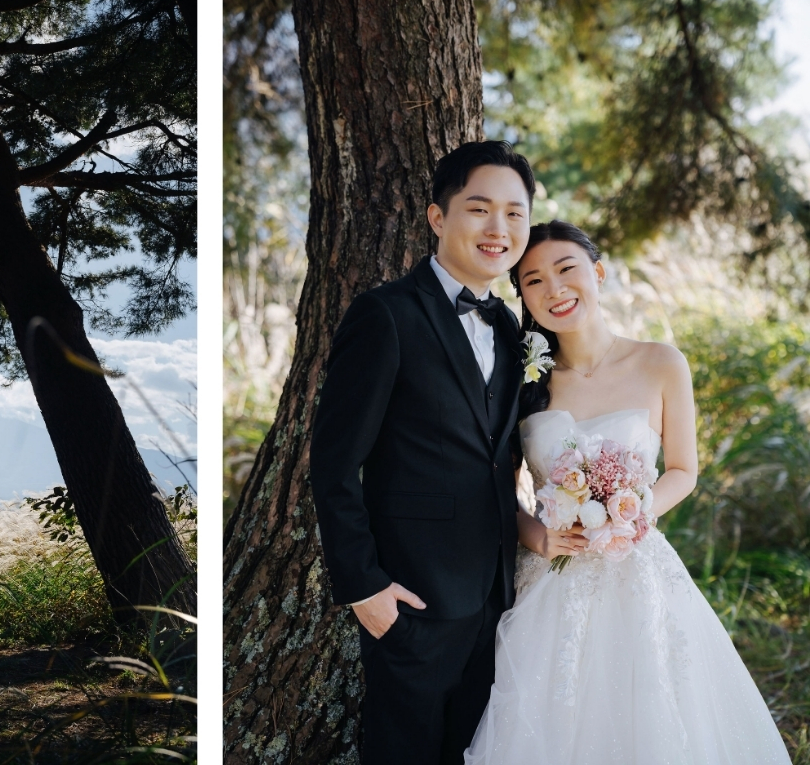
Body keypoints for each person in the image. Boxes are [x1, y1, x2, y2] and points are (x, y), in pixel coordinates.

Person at [464, 221, 791, 764]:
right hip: (552, 579)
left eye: (567, 270)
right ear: (522, 296)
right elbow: (494, 483)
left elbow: (683, 470)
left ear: (597, 272)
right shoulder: (520, 381)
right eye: (534, 281)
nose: (555, 290)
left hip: (637, 565)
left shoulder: (661, 362)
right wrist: (536, 534)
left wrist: (632, 514)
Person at [309, 140, 534, 764]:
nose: (498, 228)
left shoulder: (514, 330)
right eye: (479, 208)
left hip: (497, 597)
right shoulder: (384, 315)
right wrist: (364, 588)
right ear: (438, 218)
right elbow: (332, 463)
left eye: (514, 213)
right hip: (410, 600)